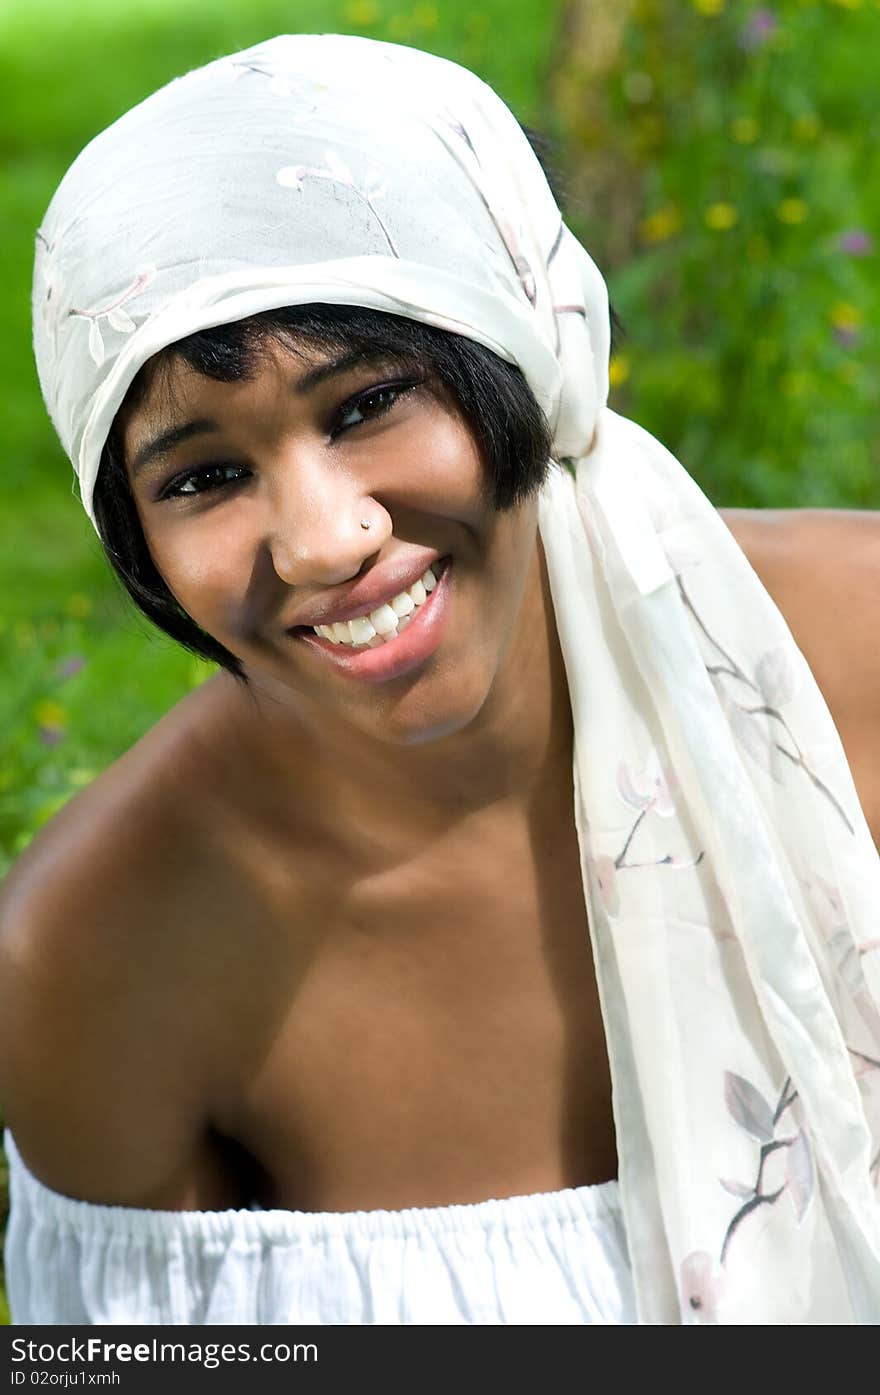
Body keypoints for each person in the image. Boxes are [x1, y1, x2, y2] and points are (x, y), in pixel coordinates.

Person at [1, 33, 879, 1326]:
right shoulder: (97, 958)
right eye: (202, 478)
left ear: (520, 348)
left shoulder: (854, 654)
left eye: (367, 405)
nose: (323, 539)